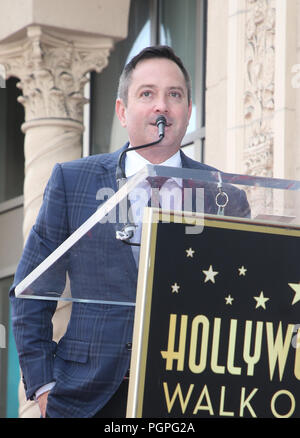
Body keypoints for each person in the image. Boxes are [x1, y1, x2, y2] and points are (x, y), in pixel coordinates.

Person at [9, 46, 250, 418]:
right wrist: (42, 386)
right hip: (87, 398)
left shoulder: (223, 197)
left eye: (175, 95)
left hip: (189, 397)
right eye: (147, 94)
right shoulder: (73, 182)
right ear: (122, 111)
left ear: (188, 112)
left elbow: (241, 302)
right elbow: (31, 290)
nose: (162, 106)